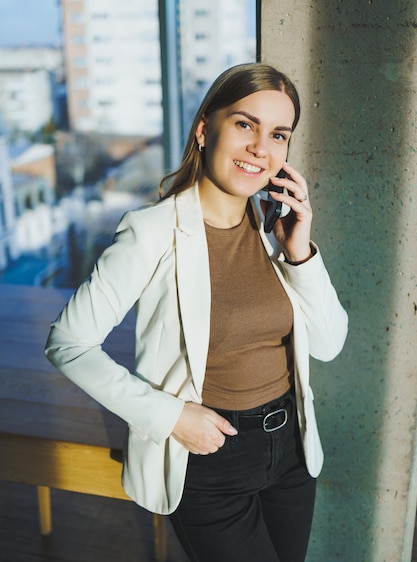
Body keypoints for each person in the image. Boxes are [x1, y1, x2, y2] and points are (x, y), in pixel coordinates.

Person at [45, 63, 348, 562]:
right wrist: (171, 417)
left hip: (291, 451)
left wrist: (300, 251)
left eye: (278, 134)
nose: (260, 148)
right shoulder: (152, 232)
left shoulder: (274, 230)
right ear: (206, 129)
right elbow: (68, 343)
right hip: (211, 460)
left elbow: (330, 344)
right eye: (245, 124)